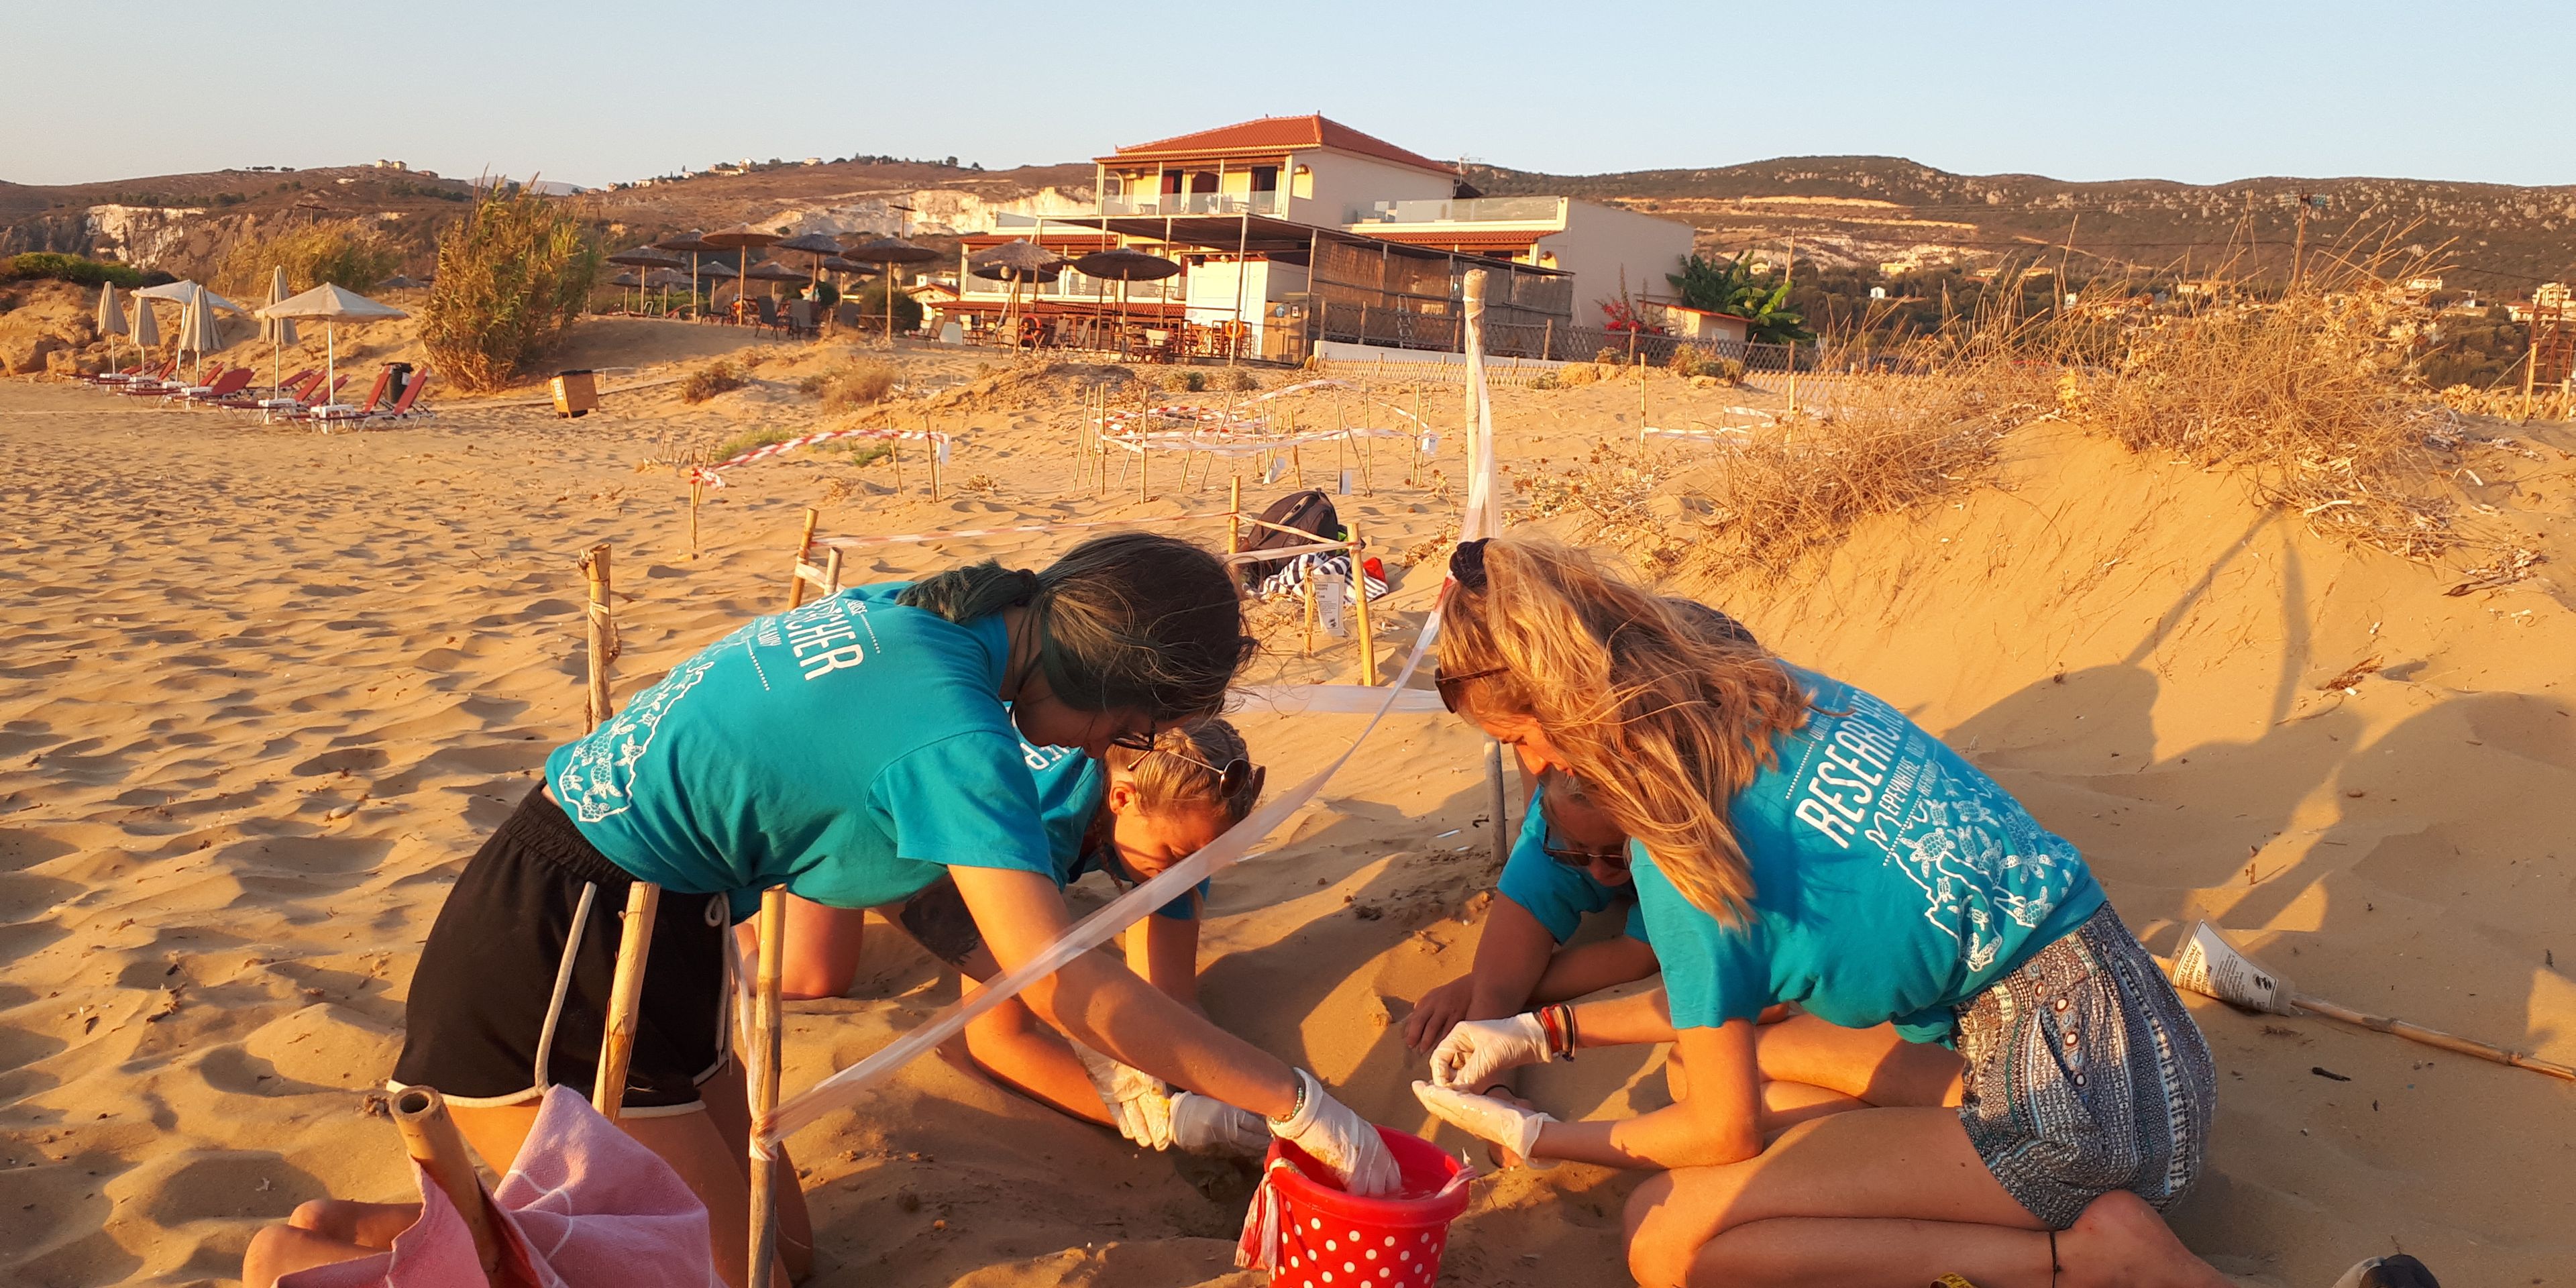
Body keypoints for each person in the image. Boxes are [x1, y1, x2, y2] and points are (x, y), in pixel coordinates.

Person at [370, 533, 1396, 1288]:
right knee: (730, 1280)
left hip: (675, 928)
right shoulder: (959, 735)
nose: (1095, 754)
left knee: (785, 1250)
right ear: (1098, 670)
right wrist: (1299, 1102)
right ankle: (347, 1254)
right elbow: (1063, 982)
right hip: (562, 942)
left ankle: (480, 1227)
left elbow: (907, 883)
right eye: (1123, 725)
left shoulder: (934, 616)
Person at [1408, 533, 2236, 1288]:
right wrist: (1543, 1030)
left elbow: (1722, 1131)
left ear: (1570, 709)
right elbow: (1730, 1000)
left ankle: (2082, 1260)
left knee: (1665, 1241)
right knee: (1697, 1067)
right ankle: (1902, 1187)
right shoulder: (1778, 696)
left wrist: (1533, 1133)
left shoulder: (1684, 846)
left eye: (1519, 736)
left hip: (2074, 1124)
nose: (1532, 760)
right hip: (2149, 1049)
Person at [758, 718, 1277, 1153]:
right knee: (811, 977)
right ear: (1121, 797)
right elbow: (999, 1042)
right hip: (842, 783)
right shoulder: (1028, 830)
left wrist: (1245, 1099)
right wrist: (1166, 1118)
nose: (1187, 875)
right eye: (1181, 859)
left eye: (1207, 858)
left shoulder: (1183, 824)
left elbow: (1172, 997)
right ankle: (739, 902)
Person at [1401, 765, 1657, 1075]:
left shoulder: (1677, 838)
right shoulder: (1550, 832)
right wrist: (1489, 1085)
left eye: (1619, 853)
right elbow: (1496, 993)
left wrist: (1481, 984)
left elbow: (1640, 954)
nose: (1599, 871)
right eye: (1577, 853)